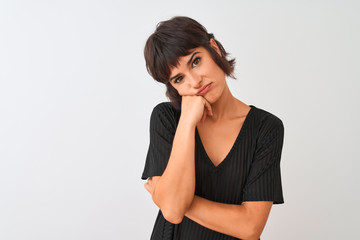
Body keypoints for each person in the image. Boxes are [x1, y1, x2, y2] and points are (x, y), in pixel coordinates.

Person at [141, 16, 285, 240]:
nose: (195, 82)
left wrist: (177, 202)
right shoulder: (166, 118)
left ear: (213, 48)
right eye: (179, 79)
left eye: (195, 61)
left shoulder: (265, 128)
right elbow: (170, 211)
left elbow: (250, 227)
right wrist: (187, 122)